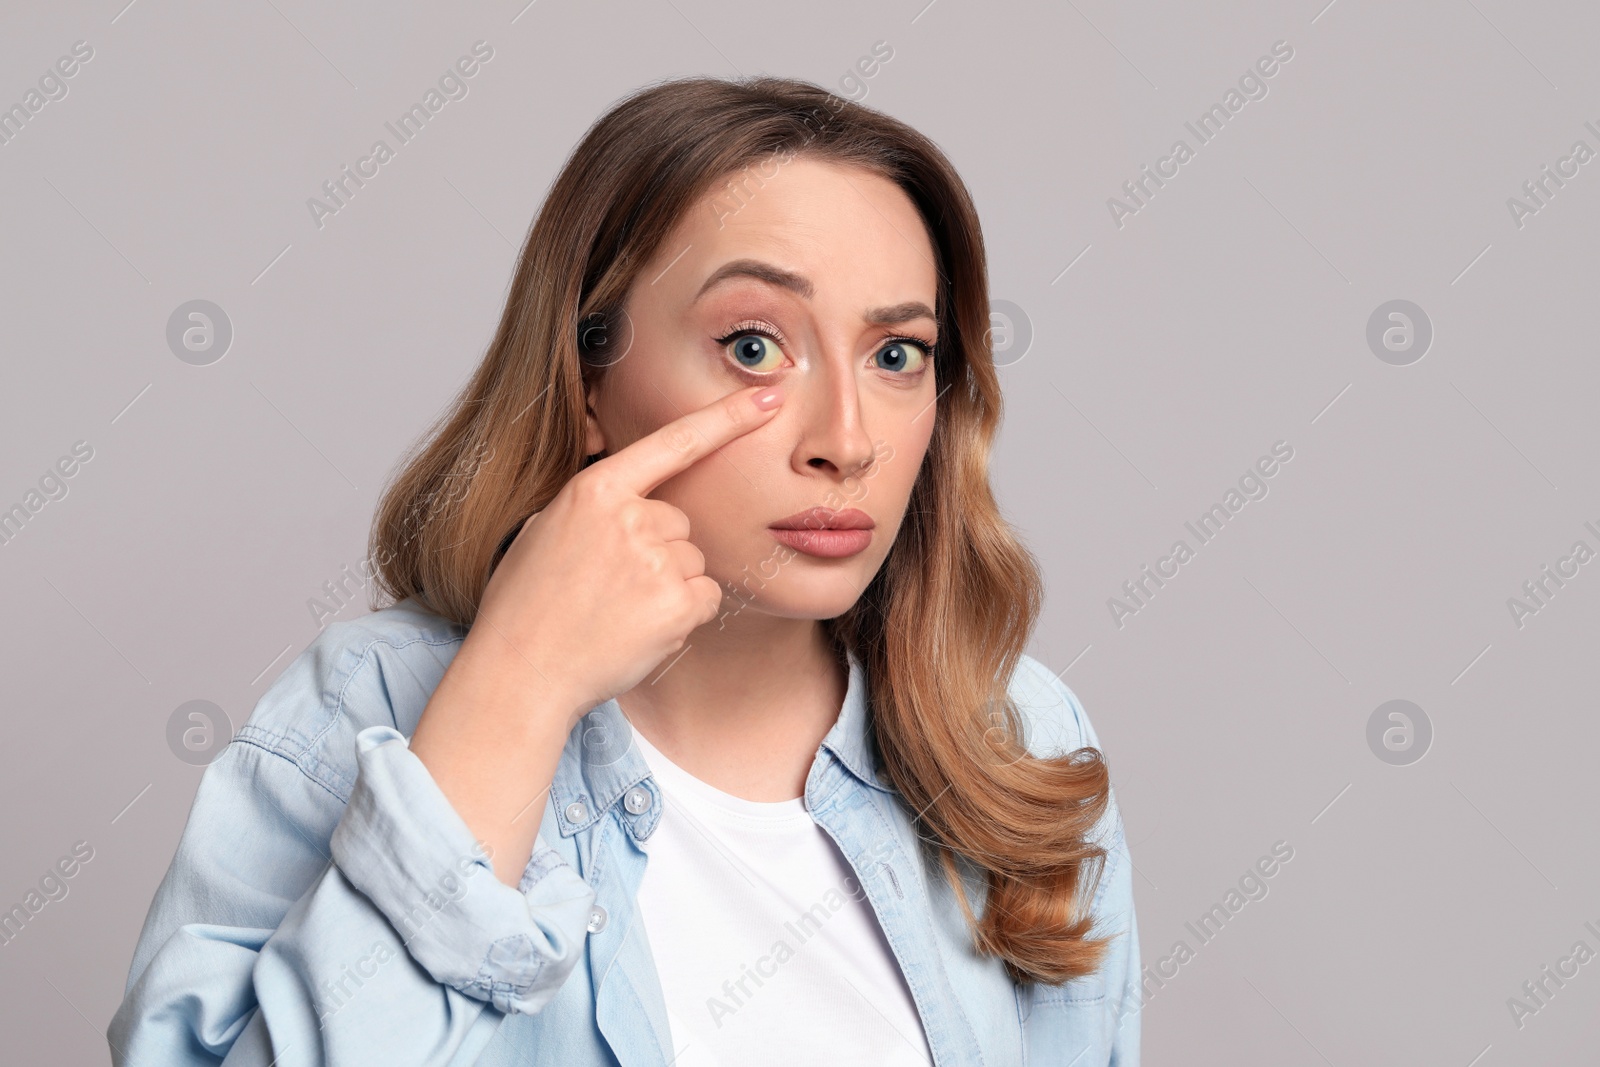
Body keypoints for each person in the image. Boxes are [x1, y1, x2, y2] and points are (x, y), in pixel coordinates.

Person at [109, 75, 1141, 1066]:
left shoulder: (1016, 734)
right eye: (751, 344)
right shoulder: (362, 708)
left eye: (896, 354)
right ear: (588, 377)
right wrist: (516, 683)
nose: (847, 439)